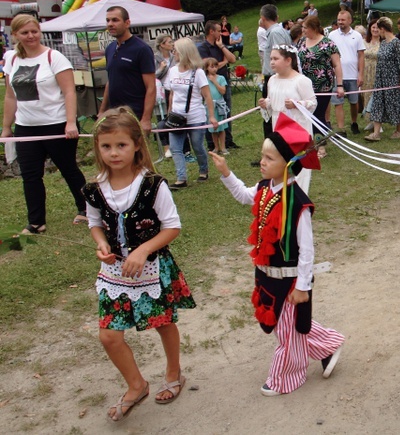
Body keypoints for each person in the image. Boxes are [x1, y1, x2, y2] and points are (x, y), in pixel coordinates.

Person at [210, 113, 344, 397]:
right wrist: (225, 172)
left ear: (289, 164)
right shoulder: (263, 188)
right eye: (262, 156)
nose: (262, 162)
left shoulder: (298, 204)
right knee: (288, 323)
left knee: (288, 331)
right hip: (266, 274)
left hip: (290, 280)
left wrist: (303, 287)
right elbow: (244, 196)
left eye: (269, 158)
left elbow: (307, 250)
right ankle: (329, 345)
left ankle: (285, 376)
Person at [83, 107, 195, 421]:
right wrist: (101, 244)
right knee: (109, 335)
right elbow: (94, 223)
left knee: (163, 322)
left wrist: (143, 249)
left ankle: (174, 372)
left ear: (136, 145)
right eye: (106, 146)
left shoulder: (152, 185)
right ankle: (136, 385)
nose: (114, 153)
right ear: (98, 148)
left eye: (121, 145)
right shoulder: (95, 189)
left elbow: (172, 226)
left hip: (151, 270)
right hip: (114, 273)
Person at [1, 14, 87, 234]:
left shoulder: (54, 57)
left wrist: (70, 122)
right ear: (15, 36)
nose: (30, 36)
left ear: (39, 32)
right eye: (25, 33)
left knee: (69, 169)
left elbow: (69, 91)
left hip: (56, 124)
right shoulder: (11, 59)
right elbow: (10, 96)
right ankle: (36, 222)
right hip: (26, 127)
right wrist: (7, 127)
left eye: (34, 31)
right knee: (30, 175)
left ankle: (86, 209)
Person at [258, 45, 317, 193]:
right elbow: (273, 101)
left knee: (297, 159)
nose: (272, 62)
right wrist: (266, 104)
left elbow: (312, 103)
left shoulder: (301, 81)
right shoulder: (272, 80)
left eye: (276, 58)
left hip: (297, 126)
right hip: (279, 125)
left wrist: (298, 104)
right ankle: (281, 190)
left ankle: (299, 193)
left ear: (288, 60)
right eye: (271, 58)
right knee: (281, 158)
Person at [165, 38, 218, 189]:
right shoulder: (172, 71)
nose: (173, 53)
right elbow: (172, 94)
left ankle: (203, 170)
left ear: (183, 52)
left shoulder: (198, 72)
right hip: (176, 117)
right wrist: (169, 112)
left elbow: (207, 96)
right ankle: (181, 178)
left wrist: (211, 116)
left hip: (195, 116)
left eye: (175, 50)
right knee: (175, 148)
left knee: (197, 145)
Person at [99, 6, 156, 134]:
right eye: (108, 20)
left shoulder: (141, 49)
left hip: (134, 114)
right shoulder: (110, 48)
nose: (110, 24)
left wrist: (146, 119)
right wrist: (102, 111)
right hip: (114, 114)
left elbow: (151, 87)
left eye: (115, 20)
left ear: (127, 23)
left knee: (136, 153)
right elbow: (111, 80)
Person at [298, 15, 345, 159]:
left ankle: (321, 147)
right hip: (304, 85)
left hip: (323, 85)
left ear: (313, 27)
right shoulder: (301, 41)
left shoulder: (328, 43)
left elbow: (337, 65)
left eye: (305, 27)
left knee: (318, 115)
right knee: (306, 116)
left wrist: (340, 85)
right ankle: (309, 145)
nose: (303, 30)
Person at [363, 17, 400, 142]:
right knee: (377, 103)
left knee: (396, 103)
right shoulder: (383, 43)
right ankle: (376, 133)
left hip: (393, 79)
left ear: (383, 29)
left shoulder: (396, 43)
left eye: (379, 29)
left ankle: (399, 130)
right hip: (380, 79)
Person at [198, 20, 237, 148]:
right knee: (211, 112)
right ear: (211, 31)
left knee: (226, 110)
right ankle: (212, 143)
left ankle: (227, 141)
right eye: (219, 31)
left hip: (223, 81)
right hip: (209, 85)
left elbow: (232, 59)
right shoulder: (202, 48)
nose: (221, 33)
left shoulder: (220, 45)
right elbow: (208, 66)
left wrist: (221, 47)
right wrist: (223, 62)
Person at [328, 9, 365, 135]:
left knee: (354, 102)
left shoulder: (357, 36)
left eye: (343, 20)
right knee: (338, 103)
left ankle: (354, 122)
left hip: (352, 75)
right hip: (337, 76)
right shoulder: (332, 35)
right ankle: (341, 128)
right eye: (339, 20)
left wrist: (360, 74)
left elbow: (361, 56)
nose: (340, 22)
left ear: (350, 20)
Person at [259, 4, 293, 139]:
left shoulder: (275, 33)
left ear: (262, 19)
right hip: (274, 78)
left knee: (270, 116)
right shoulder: (278, 31)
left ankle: (273, 147)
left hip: (275, 79)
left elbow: (281, 58)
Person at [154, 34, 176, 157]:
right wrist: (161, 68)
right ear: (162, 45)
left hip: (174, 89)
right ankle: (166, 147)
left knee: (173, 116)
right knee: (162, 118)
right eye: (169, 42)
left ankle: (176, 144)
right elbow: (152, 76)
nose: (172, 44)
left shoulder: (174, 57)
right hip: (161, 91)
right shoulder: (155, 58)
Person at [204, 57, 229, 155]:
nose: (214, 69)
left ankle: (223, 147)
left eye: (215, 66)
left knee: (221, 127)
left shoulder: (221, 78)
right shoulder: (204, 79)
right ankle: (216, 147)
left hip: (219, 105)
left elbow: (223, 91)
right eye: (211, 67)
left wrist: (214, 81)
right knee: (213, 128)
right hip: (209, 106)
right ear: (207, 68)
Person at [361, 20, 381, 120]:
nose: (375, 29)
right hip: (365, 71)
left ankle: (377, 118)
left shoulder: (383, 43)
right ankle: (369, 118)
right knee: (366, 94)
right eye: (373, 27)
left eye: (377, 27)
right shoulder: (364, 42)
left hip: (377, 70)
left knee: (376, 95)